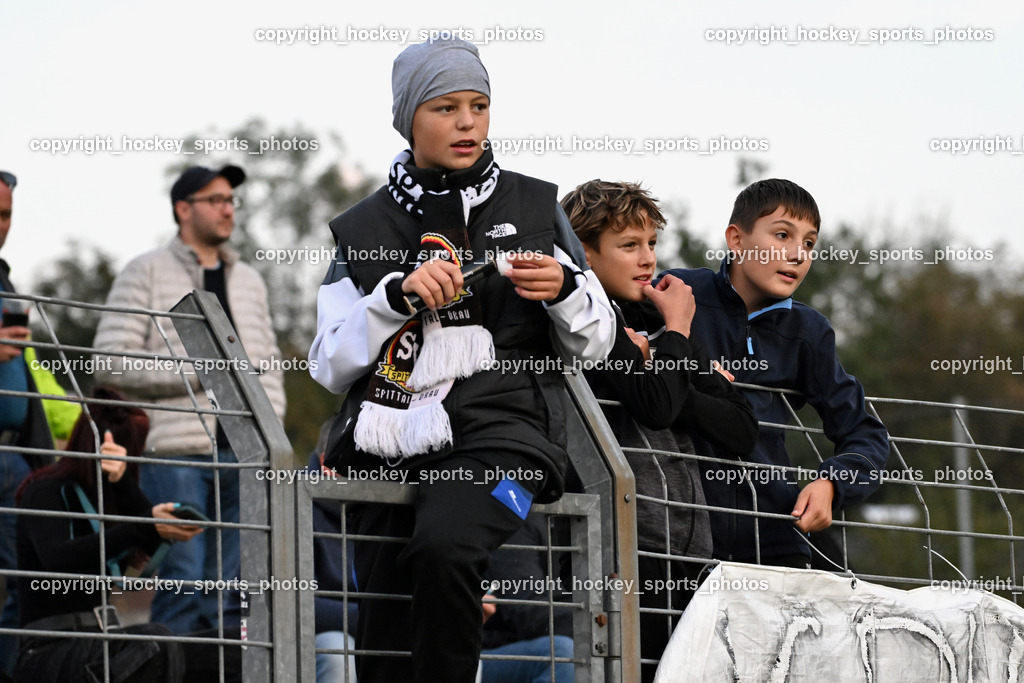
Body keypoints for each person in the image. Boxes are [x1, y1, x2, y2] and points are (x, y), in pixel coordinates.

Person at [309, 38, 615, 683]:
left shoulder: (537, 208)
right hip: (384, 443)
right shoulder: (363, 228)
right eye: (446, 107)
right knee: (387, 625)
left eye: (479, 105)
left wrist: (564, 292)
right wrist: (394, 298)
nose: (468, 122)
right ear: (408, 119)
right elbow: (328, 365)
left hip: (503, 433)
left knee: (446, 548)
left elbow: (598, 343)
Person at [560, 180, 757, 682]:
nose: (647, 259)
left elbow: (740, 427)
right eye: (629, 246)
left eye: (651, 244)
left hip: (689, 555)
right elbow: (656, 406)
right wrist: (676, 340)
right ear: (584, 252)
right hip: (614, 555)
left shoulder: (659, 324)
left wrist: (664, 359)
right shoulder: (582, 325)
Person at [92, 165, 286, 633]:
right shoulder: (147, 270)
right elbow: (108, 362)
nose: (227, 209)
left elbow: (270, 362)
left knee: (230, 590)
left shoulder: (250, 281)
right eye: (215, 199)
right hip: (176, 452)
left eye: (231, 200)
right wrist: (200, 372)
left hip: (245, 453)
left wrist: (271, 429)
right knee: (183, 578)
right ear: (183, 209)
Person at [660, 178, 890, 567]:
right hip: (673, 532)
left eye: (809, 243)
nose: (798, 254)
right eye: (783, 235)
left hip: (771, 537)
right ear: (736, 239)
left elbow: (865, 433)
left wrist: (833, 483)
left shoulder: (809, 332)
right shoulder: (677, 292)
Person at [14, 387, 202, 682]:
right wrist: (142, 525)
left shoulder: (110, 495)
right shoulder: (45, 490)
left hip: (102, 639)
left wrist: (123, 480)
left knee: (227, 649)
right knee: (158, 642)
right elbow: (60, 559)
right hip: (48, 647)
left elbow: (149, 545)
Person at [0, 170, 56, 675]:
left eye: (5, 215)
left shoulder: (5, 279)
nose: (1, 225)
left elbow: (31, 376)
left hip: (16, 459)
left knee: (25, 580)